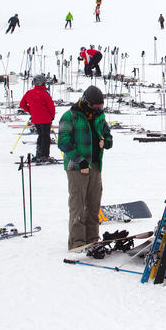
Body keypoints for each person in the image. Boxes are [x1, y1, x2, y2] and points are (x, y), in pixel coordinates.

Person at [57, 85, 113, 250]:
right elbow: (63, 142)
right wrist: (79, 160)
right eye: (96, 107)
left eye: (100, 107)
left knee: (94, 204)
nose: (98, 110)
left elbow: (109, 137)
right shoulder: (70, 117)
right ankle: (78, 242)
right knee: (78, 206)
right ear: (87, 103)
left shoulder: (99, 117)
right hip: (76, 167)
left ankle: (92, 239)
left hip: (95, 166)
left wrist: (106, 142)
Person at [20, 75, 56, 162]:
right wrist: (52, 116)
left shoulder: (29, 93)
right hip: (46, 119)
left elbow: (22, 105)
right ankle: (44, 155)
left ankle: (39, 153)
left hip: (36, 119)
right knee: (46, 137)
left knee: (41, 136)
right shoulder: (45, 94)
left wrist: (31, 111)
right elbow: (51, 107)